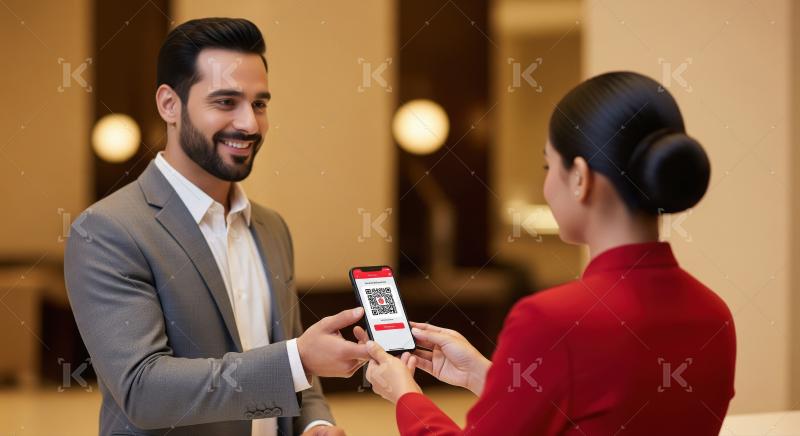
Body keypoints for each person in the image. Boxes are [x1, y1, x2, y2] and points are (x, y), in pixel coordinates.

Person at [360, 71, 737, 435]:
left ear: (580, 178)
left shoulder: (551, 321)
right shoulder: (715, 315)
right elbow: (597, 410)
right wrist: (489, 376)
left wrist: (404, 394)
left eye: (548, 164)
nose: (546, 184)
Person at [64, 18, 366, 436]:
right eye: (226, 102)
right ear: (169, 104)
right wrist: (299, 360)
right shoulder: (107, 230)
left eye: (260, 104)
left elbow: (297, 375)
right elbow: (143, 390)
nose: (250, 124)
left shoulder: (271, 227)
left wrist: (314, 422)